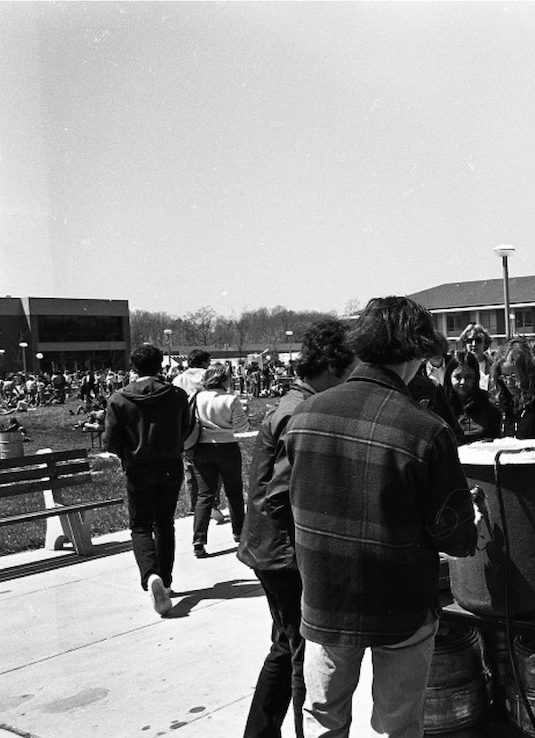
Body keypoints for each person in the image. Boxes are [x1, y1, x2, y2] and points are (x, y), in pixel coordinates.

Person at [281, 296, 478, 737]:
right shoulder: (425, 430)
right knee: (397, 725)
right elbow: (455, 537)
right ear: (414, 353)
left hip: (325, 595)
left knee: (322, 717)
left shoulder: (305, 415)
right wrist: (473, 520)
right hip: (400, 605)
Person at [239, 320, 356, 738]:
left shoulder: (293, 402)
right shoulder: (302, 411)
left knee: (284, 645)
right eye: (347, 373)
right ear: (329, 367)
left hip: (268, 548)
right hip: (284, 554)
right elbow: (279, 496)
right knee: (302, 654)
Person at [103, 344, 190, 616]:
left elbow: (110, 441)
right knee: (164, 523)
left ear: (133, 368)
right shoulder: (177, 395)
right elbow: (186, 428)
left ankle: (150, 575)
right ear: (160, 365)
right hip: (169, 465)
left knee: (140, 526)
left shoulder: (118, 400)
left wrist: (128, 453)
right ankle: (165, 578)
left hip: (138, 467)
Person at [192, 364, 249, 558]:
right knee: (234, 492)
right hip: (227, 447)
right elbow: (242, 427)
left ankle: (198, 540)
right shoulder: (231, 399)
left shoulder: (197, 397)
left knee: (204, 495)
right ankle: (239, 533)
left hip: (202, 447)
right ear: (224, 380)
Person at [173, 349, 212, 517]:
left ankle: (193, 504)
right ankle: (211, 503)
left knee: (190, 466)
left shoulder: (178, 379)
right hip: (208, 424)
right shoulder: (209, 375)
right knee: (211, 468)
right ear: (203, 362)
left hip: (187, 427)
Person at [448, 351, 501, 442]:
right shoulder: (441, 405)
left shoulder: (489, 404)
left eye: (468, 377)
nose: (463, 382)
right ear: (449, 377)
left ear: (476, 378)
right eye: (458, 377)